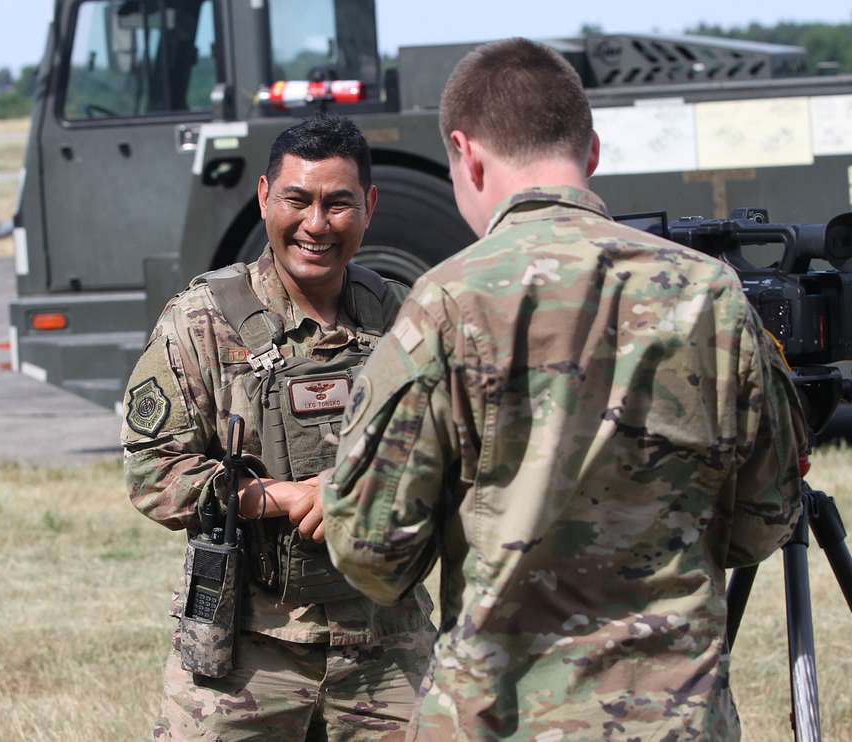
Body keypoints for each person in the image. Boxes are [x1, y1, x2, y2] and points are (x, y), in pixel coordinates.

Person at [320, 39, 808, 740]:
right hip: (674, 720)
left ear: (467, 153)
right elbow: (766, 518)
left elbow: (369, 551)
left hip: (500, 719)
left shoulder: (447, 302)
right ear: (594, 151)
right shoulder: (711, 294)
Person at [121, 115, 434, 741]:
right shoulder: (203, 322)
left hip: (386, 641)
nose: (316, 225)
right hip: (247, 646)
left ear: (369, 207)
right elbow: (152, 471)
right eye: (298, 199)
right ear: (265, 197)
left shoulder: (404, 318)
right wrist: (278, 497)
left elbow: (455, 454)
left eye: (338, 203)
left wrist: (350, 490)